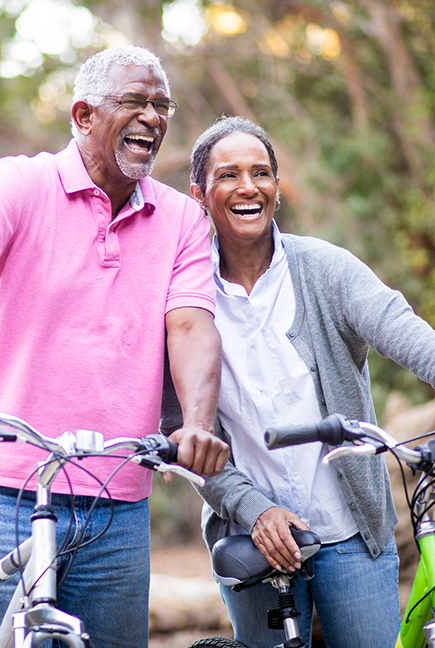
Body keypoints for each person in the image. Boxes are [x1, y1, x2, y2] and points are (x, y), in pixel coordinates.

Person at [0, 45, 229, 648]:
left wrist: (198, 426)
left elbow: (190, 326)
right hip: (2, 483)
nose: (153, 117)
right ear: (83, 116)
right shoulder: (19, 183)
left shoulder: (182, 218)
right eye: (134, 102)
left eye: (162, 105)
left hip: (117, 492)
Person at [177, 115, 435, 648]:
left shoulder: (325, 269)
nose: (248, 186)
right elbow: (182, 430)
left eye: (261, 172)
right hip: (250, 534)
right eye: (228, 175)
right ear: (200, 194)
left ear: (276, 187)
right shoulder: (183, 295)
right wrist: (254, 511)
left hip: (350, 533)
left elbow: (406, 333)